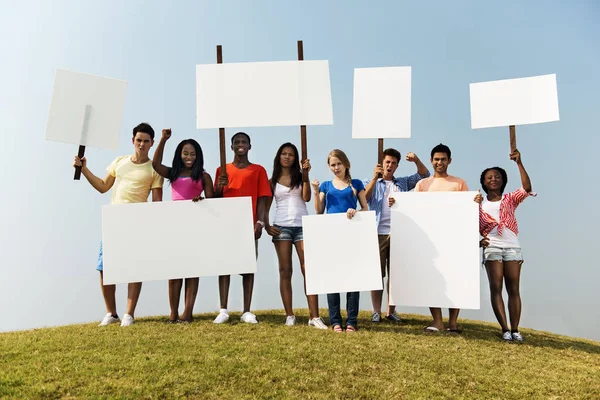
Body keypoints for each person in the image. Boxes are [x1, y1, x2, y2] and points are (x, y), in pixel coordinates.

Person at [73, 122, 164, 327]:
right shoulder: (119, 161)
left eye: (146, 141)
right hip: (114, 220)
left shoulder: (154, 169)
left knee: (135, 268)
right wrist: (84, 169)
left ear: (152, 143)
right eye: (138, 140)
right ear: (133, 141)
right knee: (104, 267)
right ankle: (111, 313)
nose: (141, 144)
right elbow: (103, 187)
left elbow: (157, 202)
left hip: (137, 222)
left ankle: (128, 314)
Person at [152, 128, 214, 323]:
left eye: (193, 154)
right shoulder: (173, 173)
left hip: (195, 227)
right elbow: (155, 164)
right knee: (175, 270)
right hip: (175, 227)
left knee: (192, 270)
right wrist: (163, 139)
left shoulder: (204, 176)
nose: (189, 157)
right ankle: (173, 313)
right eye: (186, 153)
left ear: (198, 156)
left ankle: (187, 312)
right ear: (180, 154)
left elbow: (212, 201)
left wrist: (202, 198)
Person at [264, 143, 327, 329]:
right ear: (279, 156)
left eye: (291, 154)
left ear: (296, 158)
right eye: (284, 153)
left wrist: (306, 175)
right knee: (285, 270)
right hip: (281, 226)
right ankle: (289, 315)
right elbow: (266, 206)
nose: (287, 157)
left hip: (302, 226)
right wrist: (266, 225)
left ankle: (314, 316)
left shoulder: (301, 177)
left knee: (308, 269)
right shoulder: (272, 180)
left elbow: (307, 198)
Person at [364, 148, 430, 324]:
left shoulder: (401, 183)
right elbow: (364, 197)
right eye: (387, 162)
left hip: (399, 232)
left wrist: (416, 160)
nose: (390, 165)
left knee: (396, 274)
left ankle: (390, 310)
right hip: (378, 232)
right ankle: (375, 311)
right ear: (381, 163)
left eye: (393, 163)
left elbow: (424, 176)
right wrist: (374, 177)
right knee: (377, 274)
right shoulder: (371, 181)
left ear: (397, 166)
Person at [475, 149, 534, 342]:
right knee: (496, 287)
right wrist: (478, 240)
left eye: (497, 176)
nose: (493, 179)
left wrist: (519, 163)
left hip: (512, 246)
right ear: (483, 182)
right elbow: (468, 224)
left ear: (502, 180)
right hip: (491, 246)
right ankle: (504, 329)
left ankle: (515, 329)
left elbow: (526, 188)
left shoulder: (509, 199)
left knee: (514, 288)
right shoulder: (478, 203)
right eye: (489, 177)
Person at [213, 132, 272, 324]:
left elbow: (263, 198)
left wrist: (260, 222)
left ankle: (247, 310)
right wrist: (220, 187)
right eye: (237, 142)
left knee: (248, 267)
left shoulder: (258, 170)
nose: (240, 145)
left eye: (244, 142)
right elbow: (215, 199)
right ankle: (223, 309)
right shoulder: (221, 170)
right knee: (225, 266)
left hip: (249, 224)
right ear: (231, 147)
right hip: (226, 225)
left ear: (249, 146)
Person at [311, 149, 369, 333]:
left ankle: (352, 320)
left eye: (338, 164)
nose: (336, 168)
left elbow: (366, 209)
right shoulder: (326, 186)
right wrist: (314, 191)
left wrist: (355, 211)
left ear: (346, 164)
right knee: (333, 278)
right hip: (331, 236)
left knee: (353, 278)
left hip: (351, 235)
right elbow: (319, 210)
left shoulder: (357, 184)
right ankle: (335, 321)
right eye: (332, 165)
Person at [414, 143, 468, 333]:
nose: (440, 162)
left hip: (454, 238)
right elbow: (414, 209)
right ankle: (437, 321)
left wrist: (474, 201)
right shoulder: (422, 184)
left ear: (449, 161)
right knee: (433, 278)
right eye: (436, 159)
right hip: (431, 239)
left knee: (455, 278)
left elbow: (466, 210)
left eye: (443, 159)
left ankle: (453, 322)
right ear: (431, 161)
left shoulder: (459, 183)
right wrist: (395, 203)